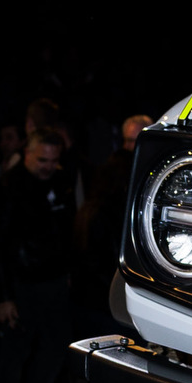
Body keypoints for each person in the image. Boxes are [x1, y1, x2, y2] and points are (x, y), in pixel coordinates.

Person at [0, 125, 77, 383]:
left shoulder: (61, 182)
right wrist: (4, 296)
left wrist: (67, 271)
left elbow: (64, 231)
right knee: (13, 354)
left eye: (53, 160)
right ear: (27, 154)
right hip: (21, 284)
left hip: (52, 282)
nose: (47, 166)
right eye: (42, 159)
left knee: (55, 347)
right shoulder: (9, 187)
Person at [76, 110, 153, 330]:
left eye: (136, 141)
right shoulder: (105, 206)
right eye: (128, 141)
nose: (131, 147)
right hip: (106, 301)